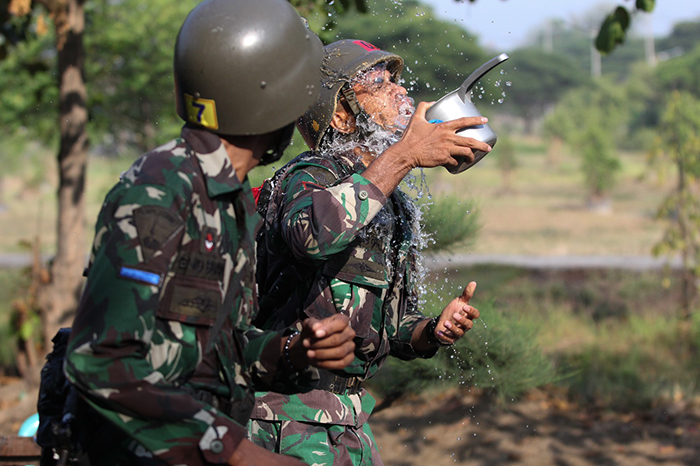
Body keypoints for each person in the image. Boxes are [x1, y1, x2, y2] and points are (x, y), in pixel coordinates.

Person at [62, 1, 356, 465]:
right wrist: (237, 452)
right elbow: (104, 361)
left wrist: (291, 351)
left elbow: (217, 351)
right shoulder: (161, 189)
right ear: (271, 99)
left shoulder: (228, 196)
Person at [249, 39, 486, 465]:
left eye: (395, 79)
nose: (399, 91)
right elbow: (312, 235)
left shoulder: (392, 202)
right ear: (340, 115)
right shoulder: (307, 176)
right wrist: (405, 155)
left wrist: (433, 329)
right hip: (285, 420)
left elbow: (395, 326)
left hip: (352, 423)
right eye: (378, 84)